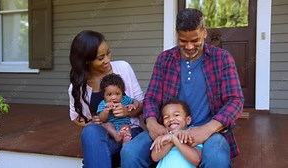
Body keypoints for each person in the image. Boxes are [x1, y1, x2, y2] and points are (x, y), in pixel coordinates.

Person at [121, 8, 244, 167]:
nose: (189, 46)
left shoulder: (222, 59)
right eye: (183, 41)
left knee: (217, 159)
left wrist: (206, 129)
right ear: (177, 35)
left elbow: (235, 100)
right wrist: (152, 123)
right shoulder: (165, 59)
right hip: (168, 129)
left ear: (204, 33)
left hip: (209, 131)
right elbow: (152, 98)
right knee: (130, 152)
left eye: (195, 40)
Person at [68, 30, 144, 168]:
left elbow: (142, 103)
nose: (107, 60)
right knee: (90, 131)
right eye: (100, 57)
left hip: (128, 129)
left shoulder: (123, 68)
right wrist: (93, 121)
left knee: (94, 157)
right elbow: (75, 117)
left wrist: (127, 112)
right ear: (87, 60)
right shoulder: (78, 86)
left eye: (108, 53)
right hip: (104, 132)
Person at [150, 99, 202, 168]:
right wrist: (172, 137)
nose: (171, 119)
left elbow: (196, 160)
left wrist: (174, 139)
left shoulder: (192, 134)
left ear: (188, 120)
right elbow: (155, 157)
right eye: (166, 117)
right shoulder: (164, 136)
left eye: (176, 115)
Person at [97, 73, 139, 144]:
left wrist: (133, 105)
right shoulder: (103, 103)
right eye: (109, 95)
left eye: (117, 94)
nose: (113, 97)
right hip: (110, 124)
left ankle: (126, 139)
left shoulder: (125, 99)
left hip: (123, 123)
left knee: (126, 127)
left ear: (122, 93)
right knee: (107, 125)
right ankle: (116, 135)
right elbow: (101, 119)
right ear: (103, 95)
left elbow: (135, 101)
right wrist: (106, 111)